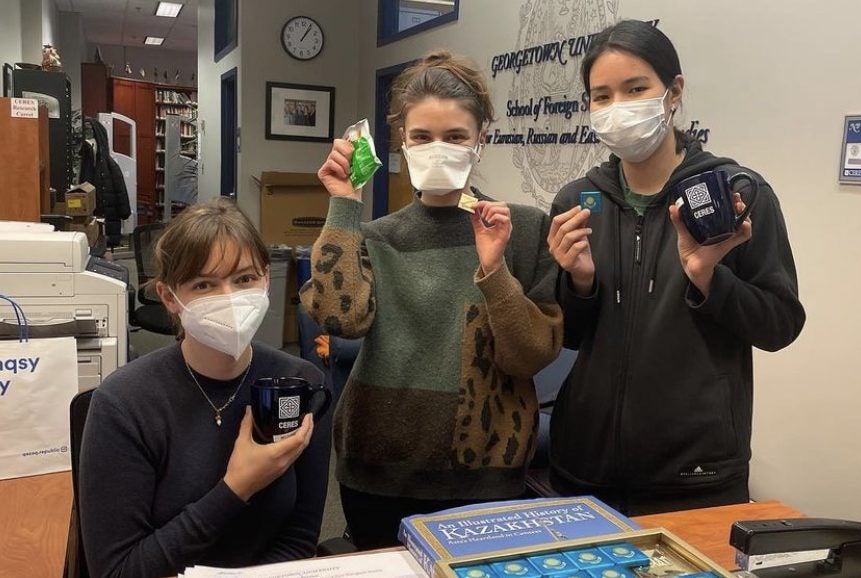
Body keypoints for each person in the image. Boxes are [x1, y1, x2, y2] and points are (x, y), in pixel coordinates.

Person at [301, 50, 563, 550]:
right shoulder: (377, 236)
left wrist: (494, 270)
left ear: (482, 138)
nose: (437, 149)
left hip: (486, 474)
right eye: (421, 137)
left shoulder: (525, 230)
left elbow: (530, 354)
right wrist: (343, 203)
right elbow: (341, 318)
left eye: (456, 137)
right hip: (377, 469)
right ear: (402, 140)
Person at [547, 20, 806, 515]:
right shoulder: (577, 200)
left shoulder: (736, 196)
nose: (618, 107)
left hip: (696, 475)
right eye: (601, 96)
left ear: (674, 91)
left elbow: (780, 324)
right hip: (585, 466)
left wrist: (710, 278)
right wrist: (578, 281)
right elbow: (571, 338)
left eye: (636, 88)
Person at [79, 200, 331, 578]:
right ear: (169, 297)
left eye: (245, 279)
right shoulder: (124, 403)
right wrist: (236, 488)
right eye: (203, 285)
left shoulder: (302, 384)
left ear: (266, 278)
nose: (228, 298)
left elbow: (298, 539)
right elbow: (116, 570)